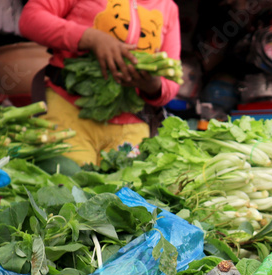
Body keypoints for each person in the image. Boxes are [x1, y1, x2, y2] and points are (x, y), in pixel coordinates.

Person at [19, 0, 181, 167]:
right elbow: (31, 18)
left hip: (131, 129)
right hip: (67, 114)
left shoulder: (168, 8)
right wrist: (89, 38)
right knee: (63, 182)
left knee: (121, 191)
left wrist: (152, 84)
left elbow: (171, 83)